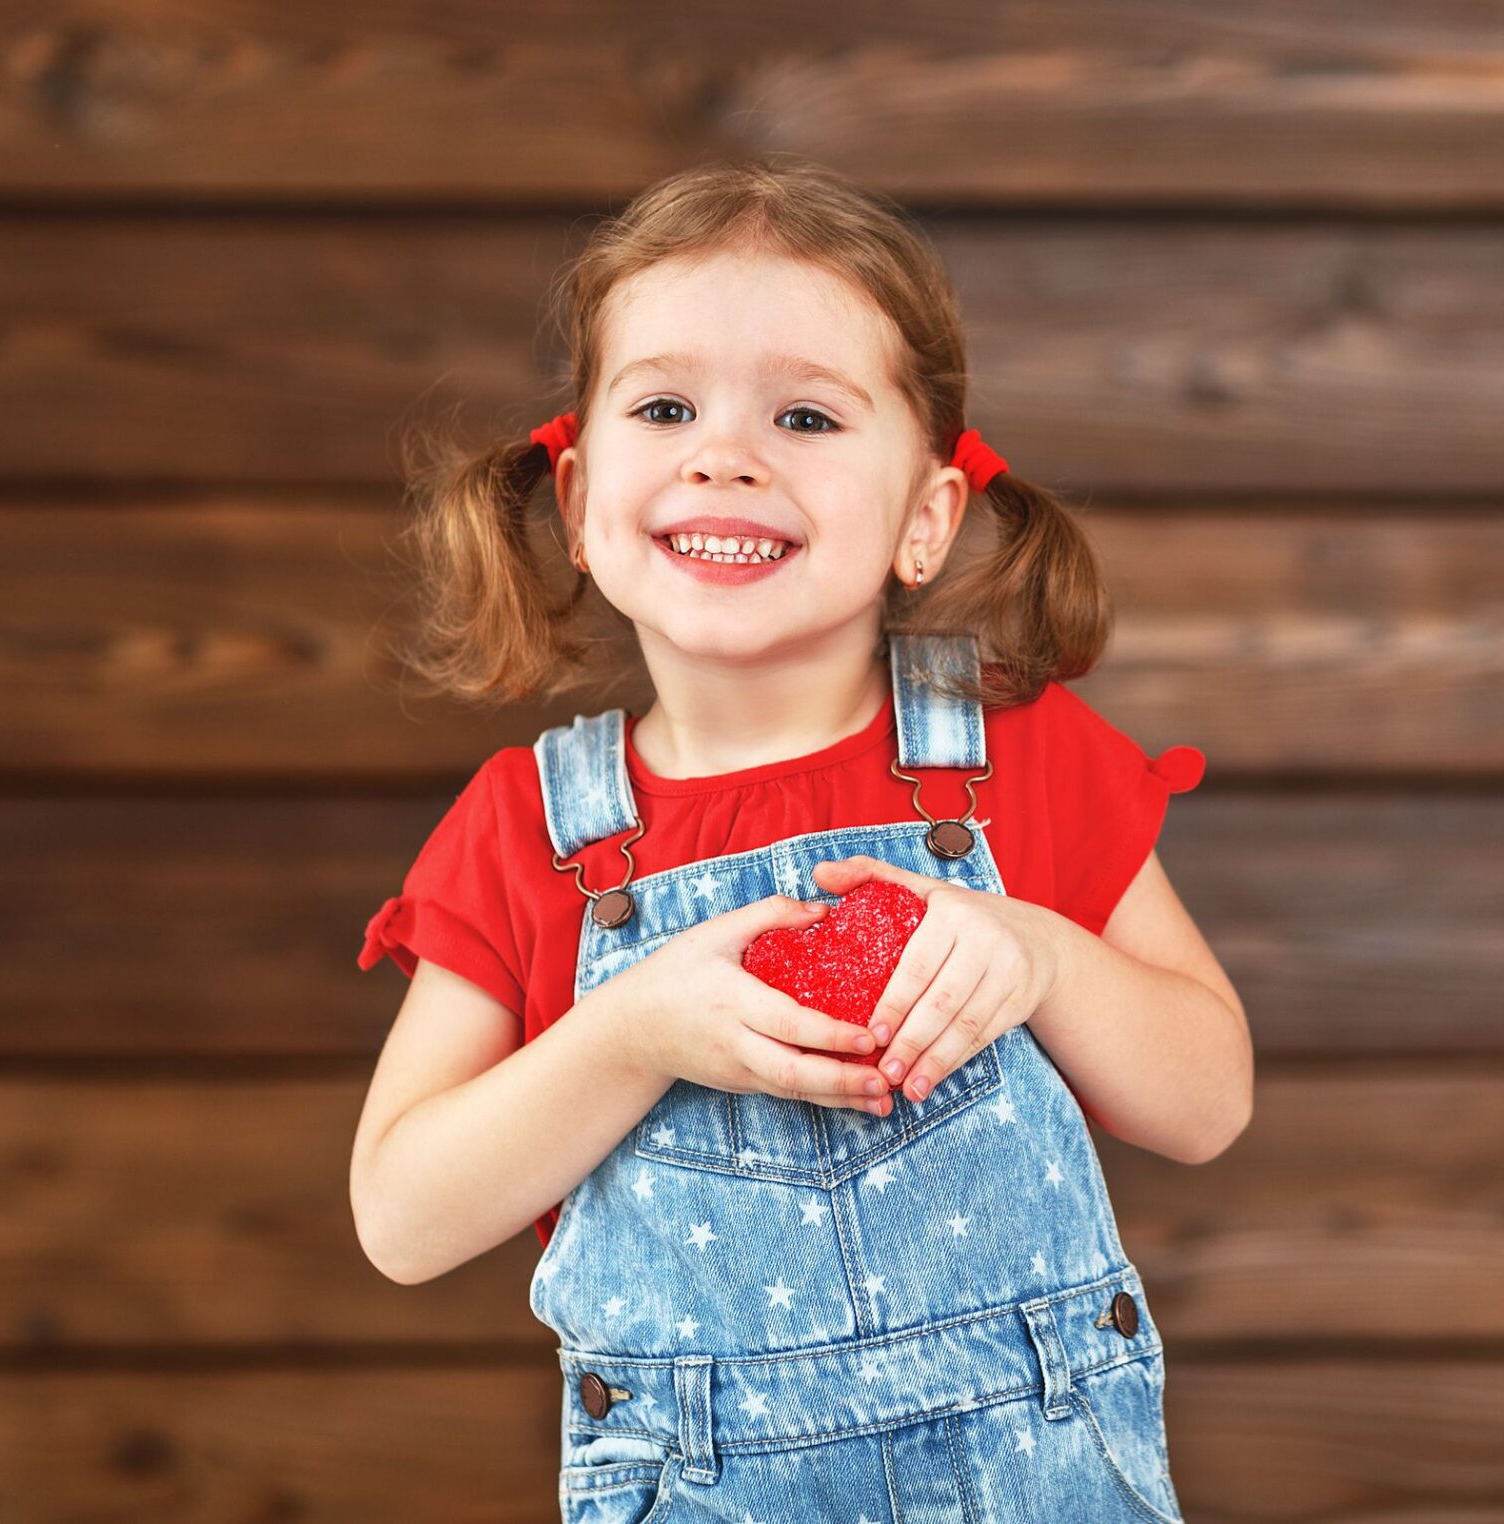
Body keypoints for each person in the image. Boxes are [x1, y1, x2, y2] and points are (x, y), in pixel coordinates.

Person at [349, 153, 1248, 1523]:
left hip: (1038, 1469)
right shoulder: (528, 835)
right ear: (583, 502)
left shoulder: (1020, 759)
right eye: (666, 405)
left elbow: (1206, 1103)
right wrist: (628, 1033)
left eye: (806, 417)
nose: (727, 452)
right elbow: (403, 1220)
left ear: (925, 517)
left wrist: (1047, 957)